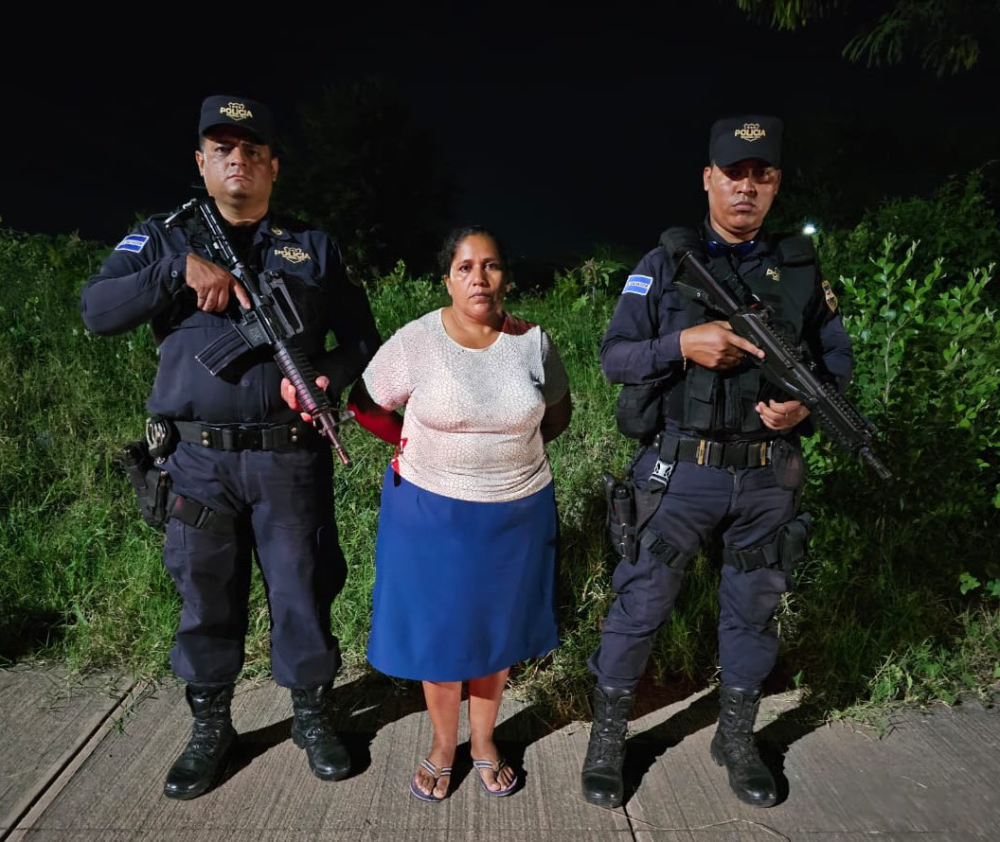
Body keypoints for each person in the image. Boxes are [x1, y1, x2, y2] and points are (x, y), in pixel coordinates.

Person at [80, 95, 381, 799]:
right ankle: (211, 728)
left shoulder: (317, 247)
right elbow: (97, 313)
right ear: (201, 162)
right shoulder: (162, 238)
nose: (237, 160)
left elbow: (364, 341)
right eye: (222, 149)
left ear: (273, 164)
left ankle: (311, 716)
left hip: (288, 456)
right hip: (197, 461)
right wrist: (172, 274)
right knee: (206, 597)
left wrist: (326, 377)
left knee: (303, 593)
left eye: (251, 149)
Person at [580, 115, 854, 809]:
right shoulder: (661, 266)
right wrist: (683, 345)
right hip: (680, 475)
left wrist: (803, 411)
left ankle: (736, 738)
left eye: (762, 174)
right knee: (640, 605)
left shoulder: (799, 268)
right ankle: (608, 740)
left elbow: (837, 366)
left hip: (767, 476)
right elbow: (614, 358)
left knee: (754, 612)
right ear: (708, 178)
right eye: (734, 172)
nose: (747, 187)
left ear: (776, 184)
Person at [285, 226, 572, 801]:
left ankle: (486, 742)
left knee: (499, 633)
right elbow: (366, 406)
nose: (479, 278)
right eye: (465, 267)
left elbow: (556, 415)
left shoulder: (533, 341)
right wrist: (418, 446)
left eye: (490, 266)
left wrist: (503, 457)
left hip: (517, 509)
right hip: (433, 510)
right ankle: (444, 746)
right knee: (443, 637)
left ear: (506, 278)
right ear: (447, 278)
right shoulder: (418, 340)